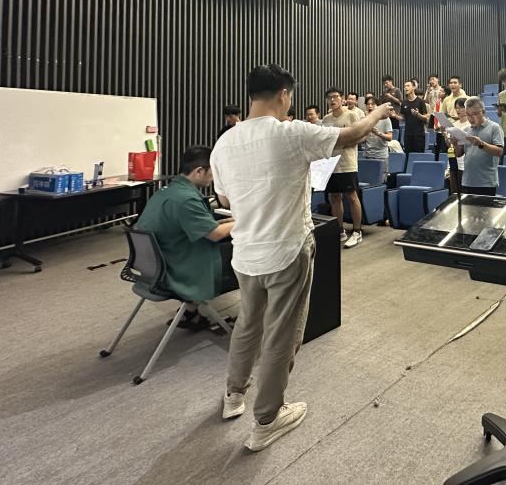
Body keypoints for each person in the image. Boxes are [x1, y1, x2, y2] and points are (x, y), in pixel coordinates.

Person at [211, 64, 391, 451]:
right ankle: (267, 418)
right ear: (283, 94)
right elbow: (352, 135)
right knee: (281, 335)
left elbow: (224, 198)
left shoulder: (224, 142)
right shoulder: (289, 133)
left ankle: (233, 395)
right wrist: (378, 112)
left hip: (245, 253)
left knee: (248, 324)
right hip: (286, 250)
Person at [136, 146, 237, 329]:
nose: (215, 178)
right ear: (199, 171)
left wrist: (228, 221)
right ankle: (251, 320)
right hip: (175, 269)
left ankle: (191, 312)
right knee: (248, 256)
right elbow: (215, 234)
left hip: (155, 266)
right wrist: (246, 220)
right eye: (213, 172)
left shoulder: (169, 191)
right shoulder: (186, 199)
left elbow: (199, 226)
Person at [321, 88, 366, 248]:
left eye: (335, 97)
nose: (332, 100)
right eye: (329, 98)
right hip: (331, 163)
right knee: (334, 197)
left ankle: (357, 231)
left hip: (347, 163)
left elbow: (362, 136)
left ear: (342, 99)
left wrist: (345, 143)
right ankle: (340, 230)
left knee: (352, 196)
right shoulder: (326, 119)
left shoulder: (351, 115)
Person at [449, 97, 504, 195]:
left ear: (483, 112)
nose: (470, 118)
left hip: (486, 182)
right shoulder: (467, 130)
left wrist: (481, 144)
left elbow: (499, 151)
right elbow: (458, 154)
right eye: (468, 114)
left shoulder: (494, 127)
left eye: (474, 114)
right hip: (467, 181)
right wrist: (455, 144)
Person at [362, 95, 393, 184]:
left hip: (381, 156)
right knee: (368, 182)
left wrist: (378, 133)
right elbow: (362, 140)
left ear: (378, 106)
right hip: (368, 155)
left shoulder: (385, 119)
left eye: (373, 104)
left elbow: (390, 137)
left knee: (381, 183)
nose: (370, 106)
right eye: (368, 104)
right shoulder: (364, 119)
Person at [447, 97, 469, 193]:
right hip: (452, 159)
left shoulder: (470, 124)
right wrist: (445, 135)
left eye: (460, 108)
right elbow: (449, 145)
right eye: (456, 108)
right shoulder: (454, 124)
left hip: (463, 161)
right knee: (454, 191)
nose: (458, 110)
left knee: (463, 190)